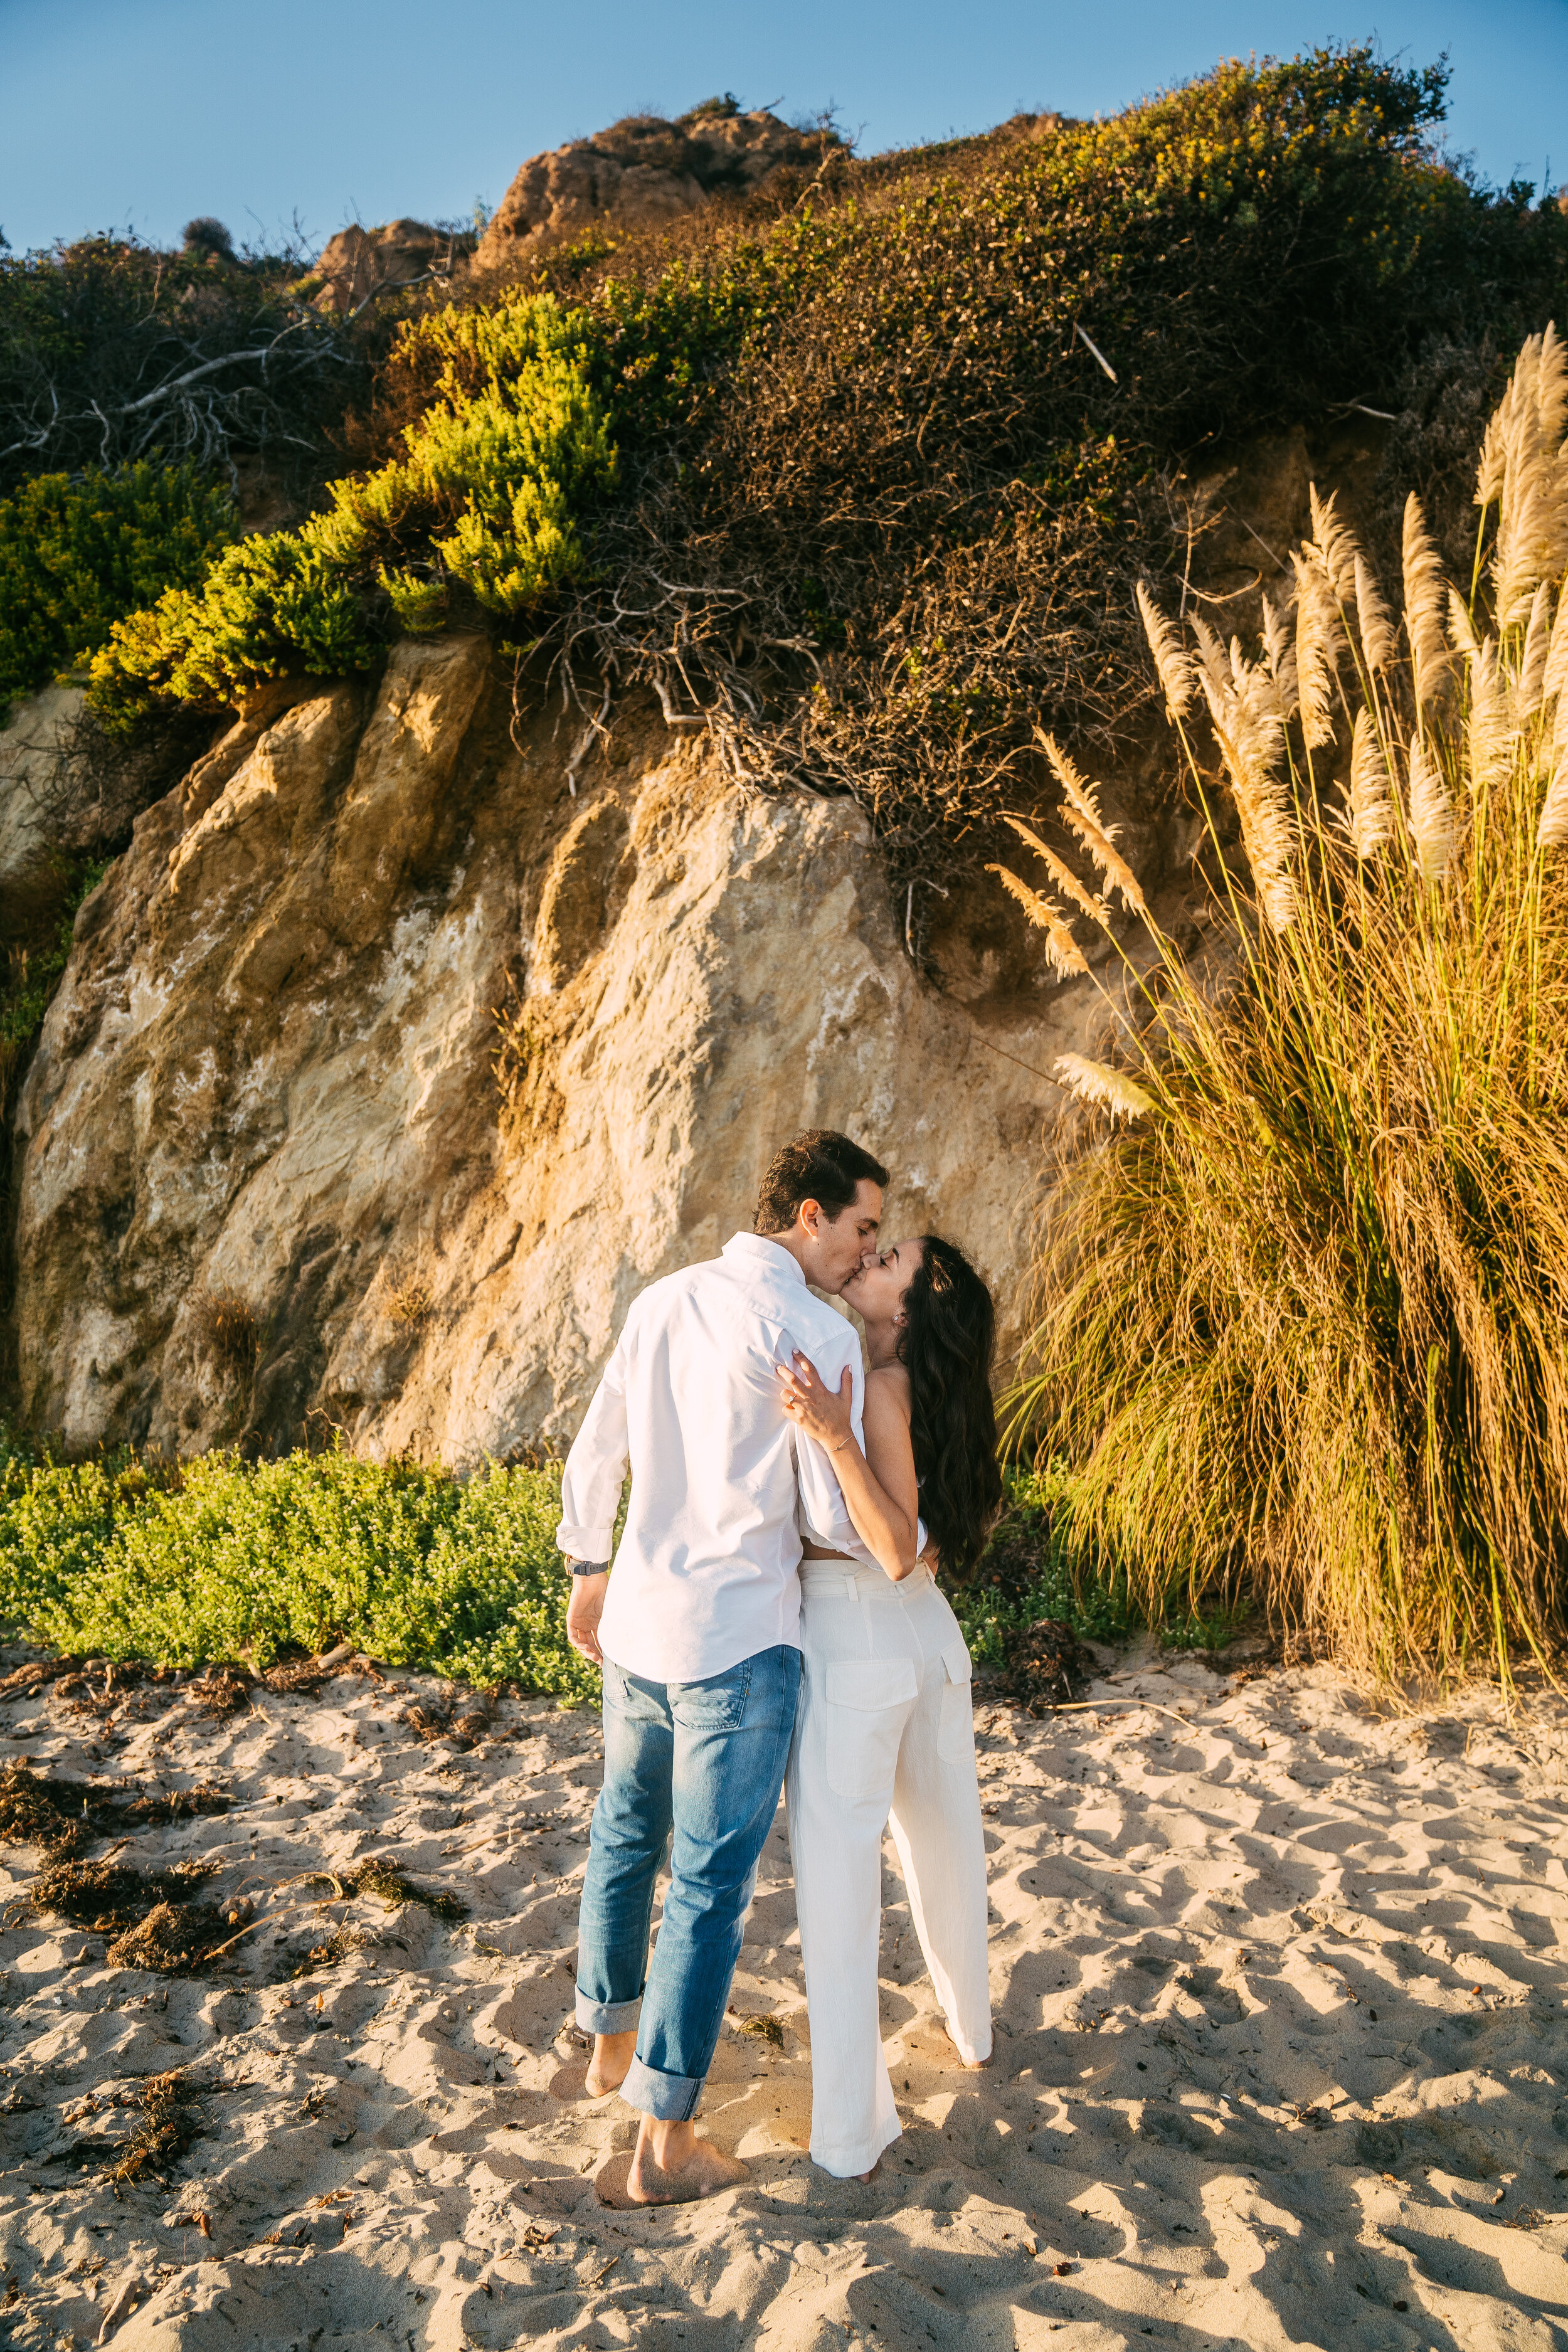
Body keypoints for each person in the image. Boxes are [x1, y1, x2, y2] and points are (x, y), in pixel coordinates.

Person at [558, 1129, 890, 2205]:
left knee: (623, 1829)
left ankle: (608, 2047)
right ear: (806, 1213)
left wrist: (588, 1564)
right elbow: (834, 1520)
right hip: (739, 1643)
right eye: (861, 1226)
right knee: (707, 1886)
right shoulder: (815, 1332)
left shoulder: (662, 1298)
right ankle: (664, 2147)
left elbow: (597, 1444)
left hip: (641, 1621)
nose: (864, 1249)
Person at [775, 1233, 1003, 2180]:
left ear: (911, 1305)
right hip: (930, 1637)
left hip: (857, 1633)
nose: (873, 1255)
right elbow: (933, 1544)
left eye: (892, 1256)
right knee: (948, 1849)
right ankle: (974, 2032)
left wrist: (831, 1432)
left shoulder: (881, 1388)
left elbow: (896, 1543)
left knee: (836, 1879)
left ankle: (848, 2136)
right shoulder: (934, 1390)